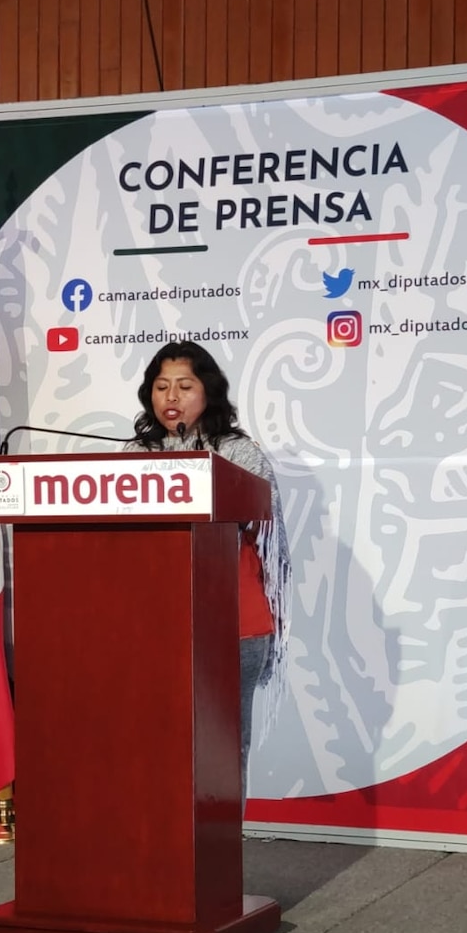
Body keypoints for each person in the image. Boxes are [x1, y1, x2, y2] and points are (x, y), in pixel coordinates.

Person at [127, 340, 291, 806]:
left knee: (221, 747)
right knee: (156, 744)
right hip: (153, 627)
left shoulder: (238, 453)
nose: (171, 397)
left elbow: (266, 529)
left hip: (232, 624)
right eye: (161, 387)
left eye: (184, 386)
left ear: (209, 392)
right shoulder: (134, 454)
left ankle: (219, 862)